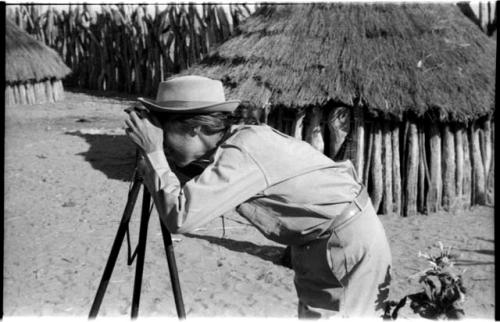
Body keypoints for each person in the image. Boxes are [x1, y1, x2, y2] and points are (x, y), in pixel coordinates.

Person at [125, 75, 392, 318]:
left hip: (343, 241)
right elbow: (194, 188)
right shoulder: (234, 146)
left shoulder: (243, 152)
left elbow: (180, 218)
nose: (164, 145)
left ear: (194, 128)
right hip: (321, 240)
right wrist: (157, 163)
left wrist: (153, 153)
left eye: (164, 133)